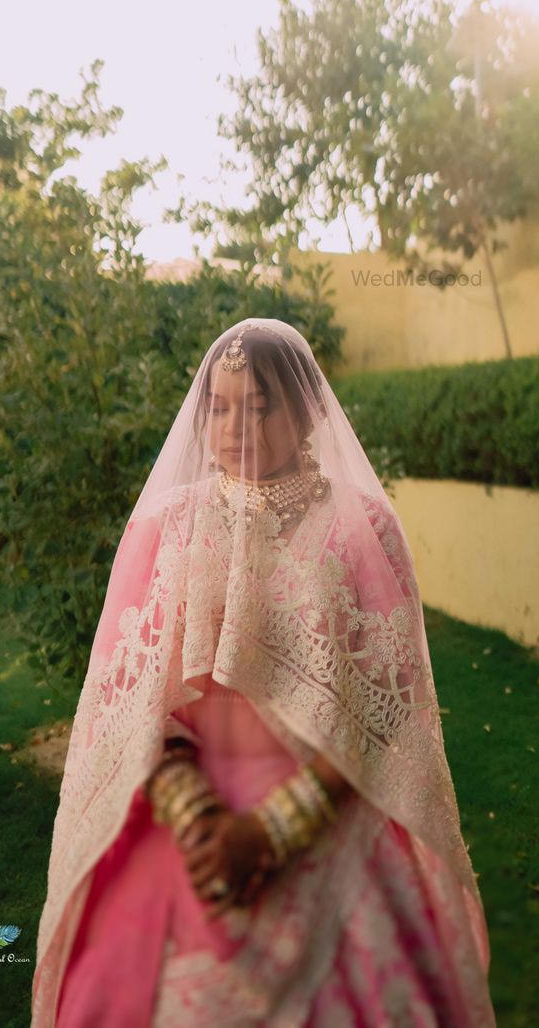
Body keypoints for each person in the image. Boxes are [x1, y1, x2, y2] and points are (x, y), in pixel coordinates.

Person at [31, 316, 495, 1027]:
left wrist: (273, 833)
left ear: (308, 410)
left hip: (336, 801)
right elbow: (137, 710)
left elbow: (389, 714)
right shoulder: (169, 527)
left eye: (260, 403)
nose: (234, 425)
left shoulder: (361, 527)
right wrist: (202, 822)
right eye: (219, 405)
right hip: (184, 808)